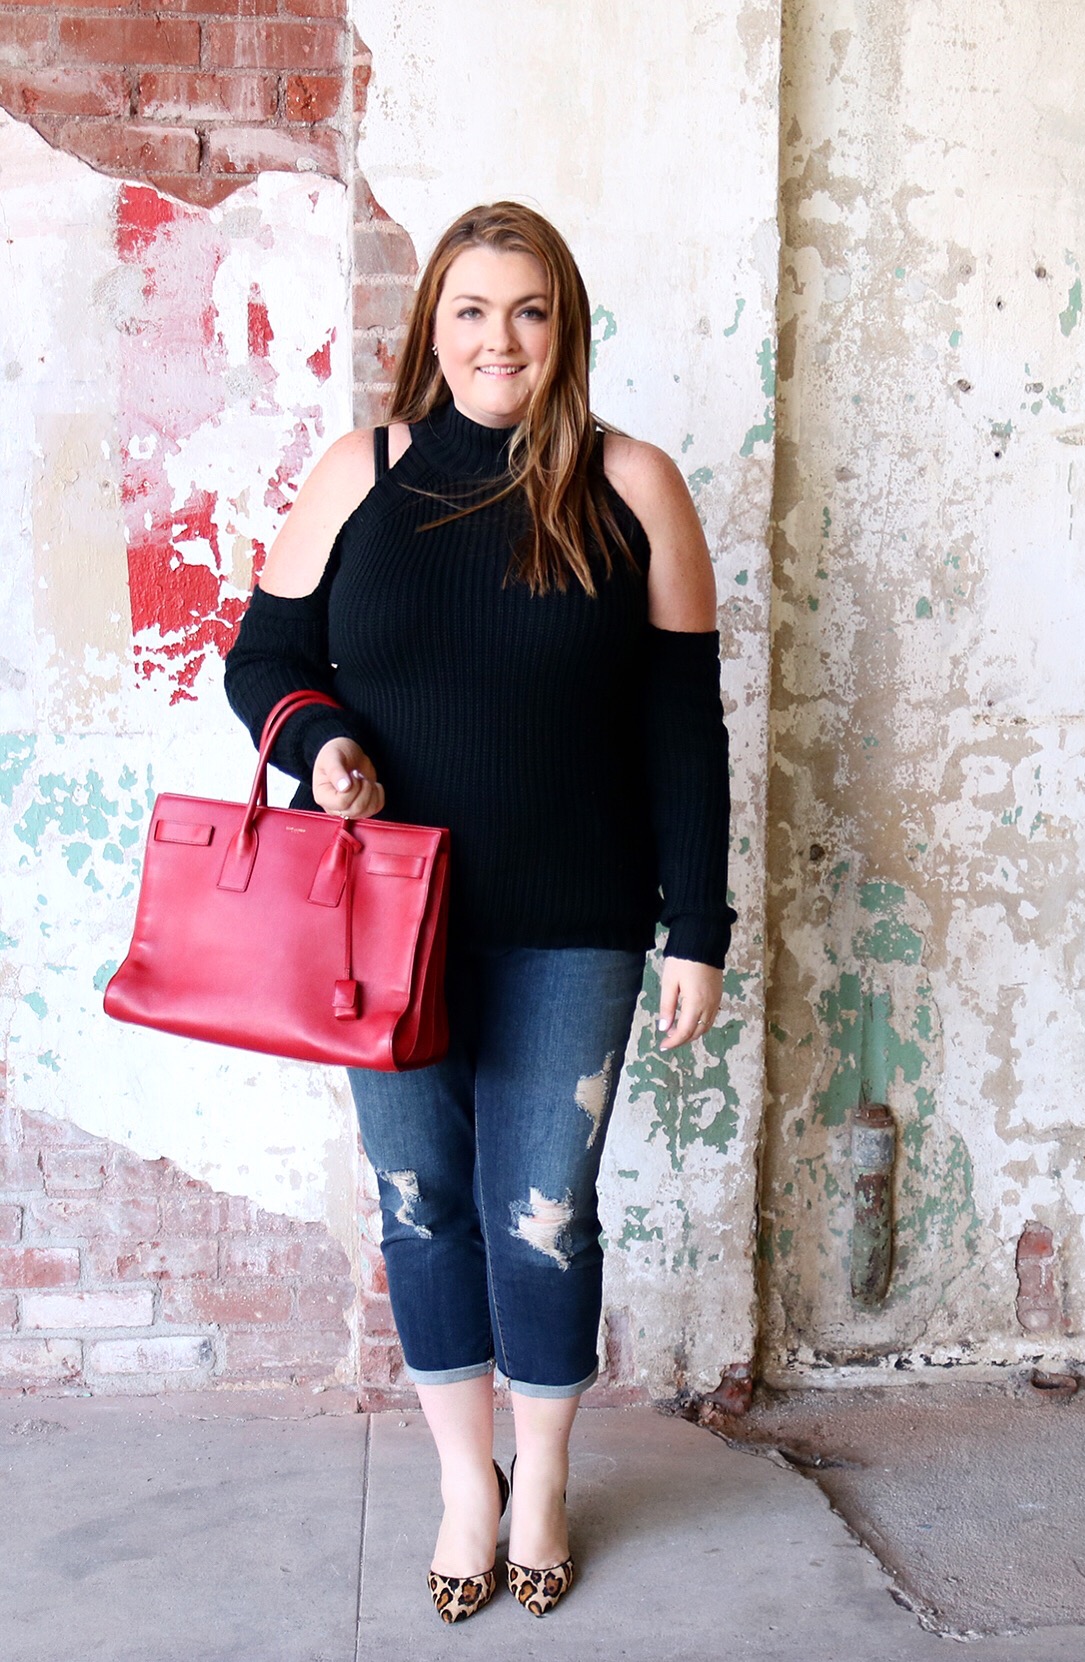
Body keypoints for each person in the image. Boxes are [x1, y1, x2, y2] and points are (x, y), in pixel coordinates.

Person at [223, 201, 734, 1624]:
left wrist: (696, 929)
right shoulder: (365, 472)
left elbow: (684, 732)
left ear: (565, 328)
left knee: (542, 1213)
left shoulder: (633, 485)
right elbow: (262, 655)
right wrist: (320, 739)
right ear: (431, 327)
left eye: (527, 310)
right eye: (469, 309)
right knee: (420, 1200)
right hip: (385, 919)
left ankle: (545, 1477)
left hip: (576, 921)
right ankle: (465, 1484)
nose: (497, 338)